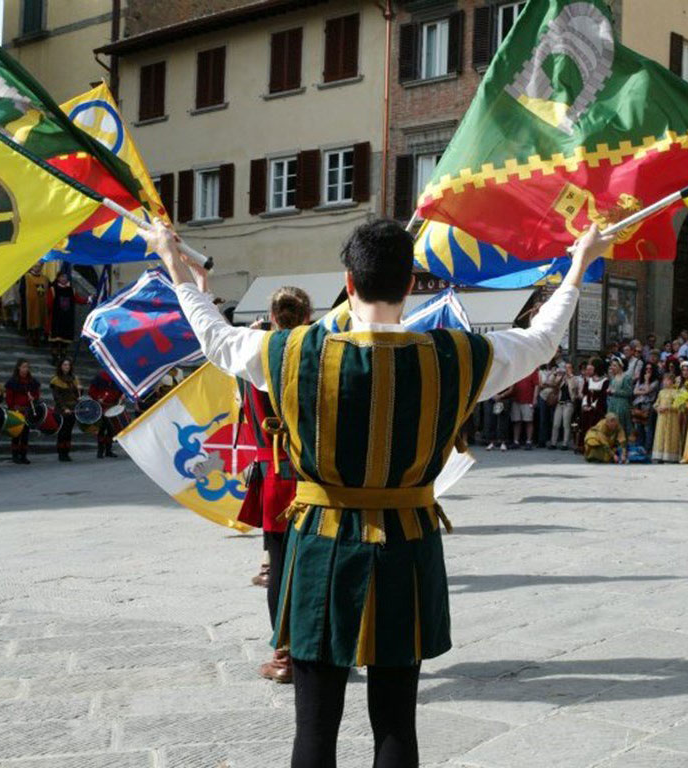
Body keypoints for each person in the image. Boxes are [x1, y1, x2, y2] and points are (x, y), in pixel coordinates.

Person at [153, 217, 611, 768]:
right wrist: (578, 264)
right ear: (411, 284)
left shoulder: (290, 352)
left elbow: (215, 337)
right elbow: (541, 339)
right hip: (407, 545)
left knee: (315, 726)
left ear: (349, 282)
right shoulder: (456, 355)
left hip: (320, 545)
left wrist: (175, 265)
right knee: (396, 723)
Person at [237, 286, 312, 685]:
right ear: (307, 316)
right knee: (313, 567)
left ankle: (284, 654)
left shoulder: (254, 355)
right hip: (314, 475)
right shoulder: (317, 353)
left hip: (274, 475)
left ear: (271, 315)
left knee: (279, 568)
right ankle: (311, 650)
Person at [4, 359, 40, 465]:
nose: (26, 369)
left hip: (28, 410)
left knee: (25, 434)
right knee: (16, 433)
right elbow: (9, 398)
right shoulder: (12, 382)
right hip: (16, 411)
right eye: (24, 367)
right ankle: (15, 455)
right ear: (19, 367)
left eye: (27, 367)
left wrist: (33, 398)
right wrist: (12, 408)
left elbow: (37, 394)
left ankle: (23, 455)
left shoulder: (32, 381)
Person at [48, 271, 88, 364]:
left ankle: (63, 358)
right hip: (56, 319)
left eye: (65, 277)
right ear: (58, 278)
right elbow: (49, 304)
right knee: (55, 341)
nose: (64, 279)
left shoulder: (71, 290)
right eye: (62, 277)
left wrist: (88, 299)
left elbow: (78, 299)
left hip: (67, 320)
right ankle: (54, 358)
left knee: (65, 342)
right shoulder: (53, 289)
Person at [50, 358, 82, 462]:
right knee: (62, 431)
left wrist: (80, 390)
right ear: (60, 366)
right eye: (64, 365)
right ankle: (61, 453)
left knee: (69, 431)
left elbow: (77, 395)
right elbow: (57, 397)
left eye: (68, 365)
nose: (67, 367)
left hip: (73, 408)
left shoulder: (74, 379)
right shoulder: (56, 380)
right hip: (62, 409)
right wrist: (64, 408)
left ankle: (66, 452)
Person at [89, 370, 122, 459]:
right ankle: (100, 451)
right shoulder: (99, 377)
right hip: (101, 407)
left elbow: (120, 392)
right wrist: (97, 398)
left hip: (112, 407)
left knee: (111, 430)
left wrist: (121, 397)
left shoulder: (117, 377)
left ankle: (108, 450)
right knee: (102, 429)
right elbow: (91, 391)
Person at [651, 372, 682, 464]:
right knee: (660, 435)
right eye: (664, 380)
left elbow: (678, 405)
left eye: (667, 380)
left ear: (672, 381)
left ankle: (669, 456)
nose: (665, 382)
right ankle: (659, 455)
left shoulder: (676, 392)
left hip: (671, 418)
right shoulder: (661, 392)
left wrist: (668, 407)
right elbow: (656, 403)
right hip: (661, 417)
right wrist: (657, 407)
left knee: (669, 435)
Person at [577, 359, 608, 449]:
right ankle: (584, 446)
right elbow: (585, 394)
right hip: (587, 408)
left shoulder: (605, 381)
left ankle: (594, 447)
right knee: (584, 426)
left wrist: (593, 406)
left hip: (598, 410)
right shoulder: (589, 380)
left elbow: (602, 397)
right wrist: (585, 405)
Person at [549, 362, 579, 450]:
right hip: (559, 403)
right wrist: (555, 373)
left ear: (572, 369)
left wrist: (570, 376)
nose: (567, 369)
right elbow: (551, 382)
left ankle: (565, 444)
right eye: (566, 368)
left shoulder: (575, 378)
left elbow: (574, 387)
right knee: (556, 424)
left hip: (568, 403)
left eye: (569, 368)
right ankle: (553, 443)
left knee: (566, 424)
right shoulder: (561, 377)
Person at [632, 362, 659, 456]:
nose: (648, 371)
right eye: (646, 369)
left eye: (650, 369)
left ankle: (647, 449)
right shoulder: (640, 381)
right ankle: (639, 447)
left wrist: (647, 381)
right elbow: (635, 391)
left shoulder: (655, 382)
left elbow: (648, 390)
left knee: (647, 428)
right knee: (638, 427)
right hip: (638, 405)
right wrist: (643, 391)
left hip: (647, 406)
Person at [510, 369, 539, 450]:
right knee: (516, 421)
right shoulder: (517, 369)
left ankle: (529, 441)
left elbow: (536, 385)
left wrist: (535, 398)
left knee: (529, 421)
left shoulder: (532, 370)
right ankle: (516, 441)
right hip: (516, 399)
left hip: (528, 399)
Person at [606, 357, 633, 439]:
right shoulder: (613, 377)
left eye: (614, 365)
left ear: (621, 366)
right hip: (613, 403)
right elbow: (611, 388)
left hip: (621, 404)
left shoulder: (626, 377)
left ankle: (621, 442)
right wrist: (609, 390)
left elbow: (629, 392)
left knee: (620, 424)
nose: (612, 367)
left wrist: (616, 391)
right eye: (612, 365)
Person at [23, 263, 49, 347]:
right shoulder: (26, 277)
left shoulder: (45, 279)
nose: (37, 268)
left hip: (41, 304)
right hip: (29, 304)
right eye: (35, 266)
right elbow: (22, 291)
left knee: (40, 321)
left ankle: (37, 338)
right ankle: (30, 337)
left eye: (39, 267)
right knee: (30, 319)